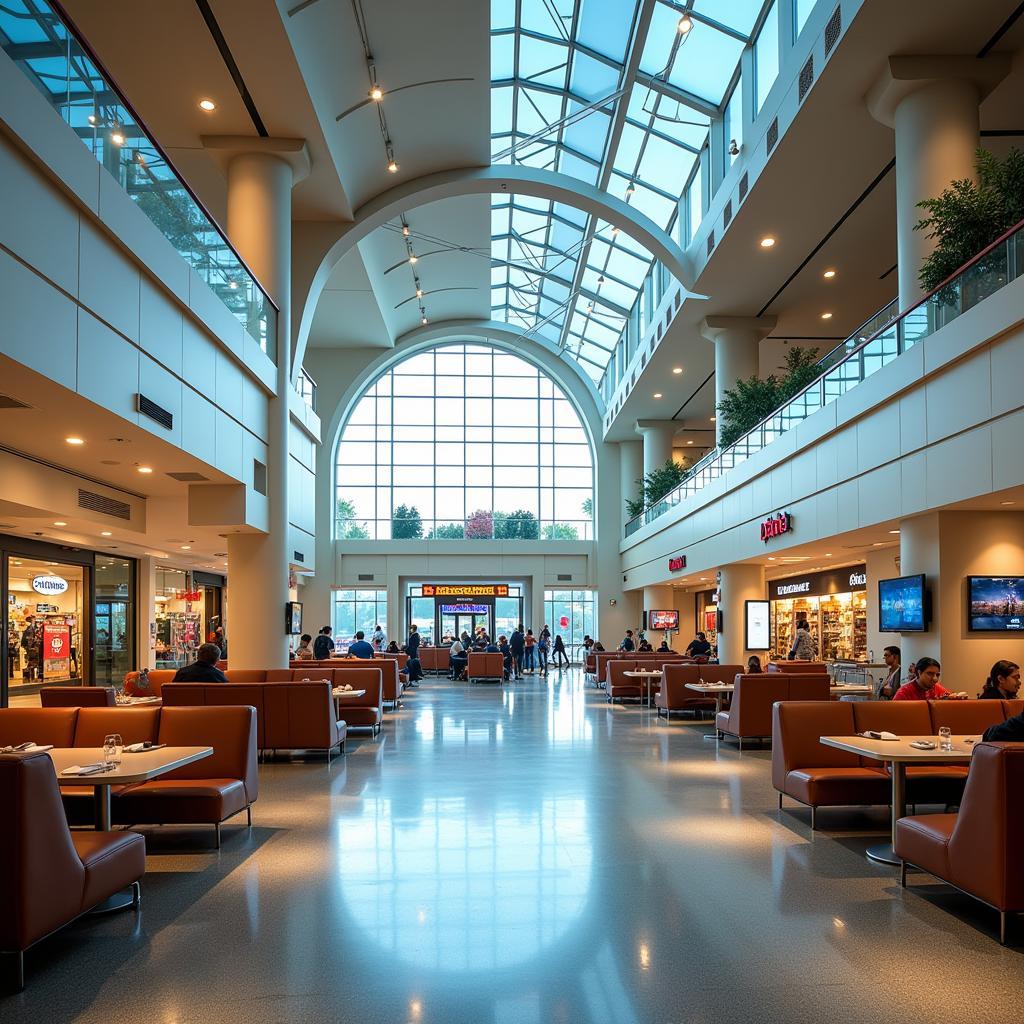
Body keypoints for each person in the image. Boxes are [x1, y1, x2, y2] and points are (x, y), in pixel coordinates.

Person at [892, 657, 968, 701]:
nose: (935, 679)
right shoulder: (903, 692)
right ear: (919, 672)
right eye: (930, 674)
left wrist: (956, 699)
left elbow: (949, 697)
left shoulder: (936, 687)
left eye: (937, 675)